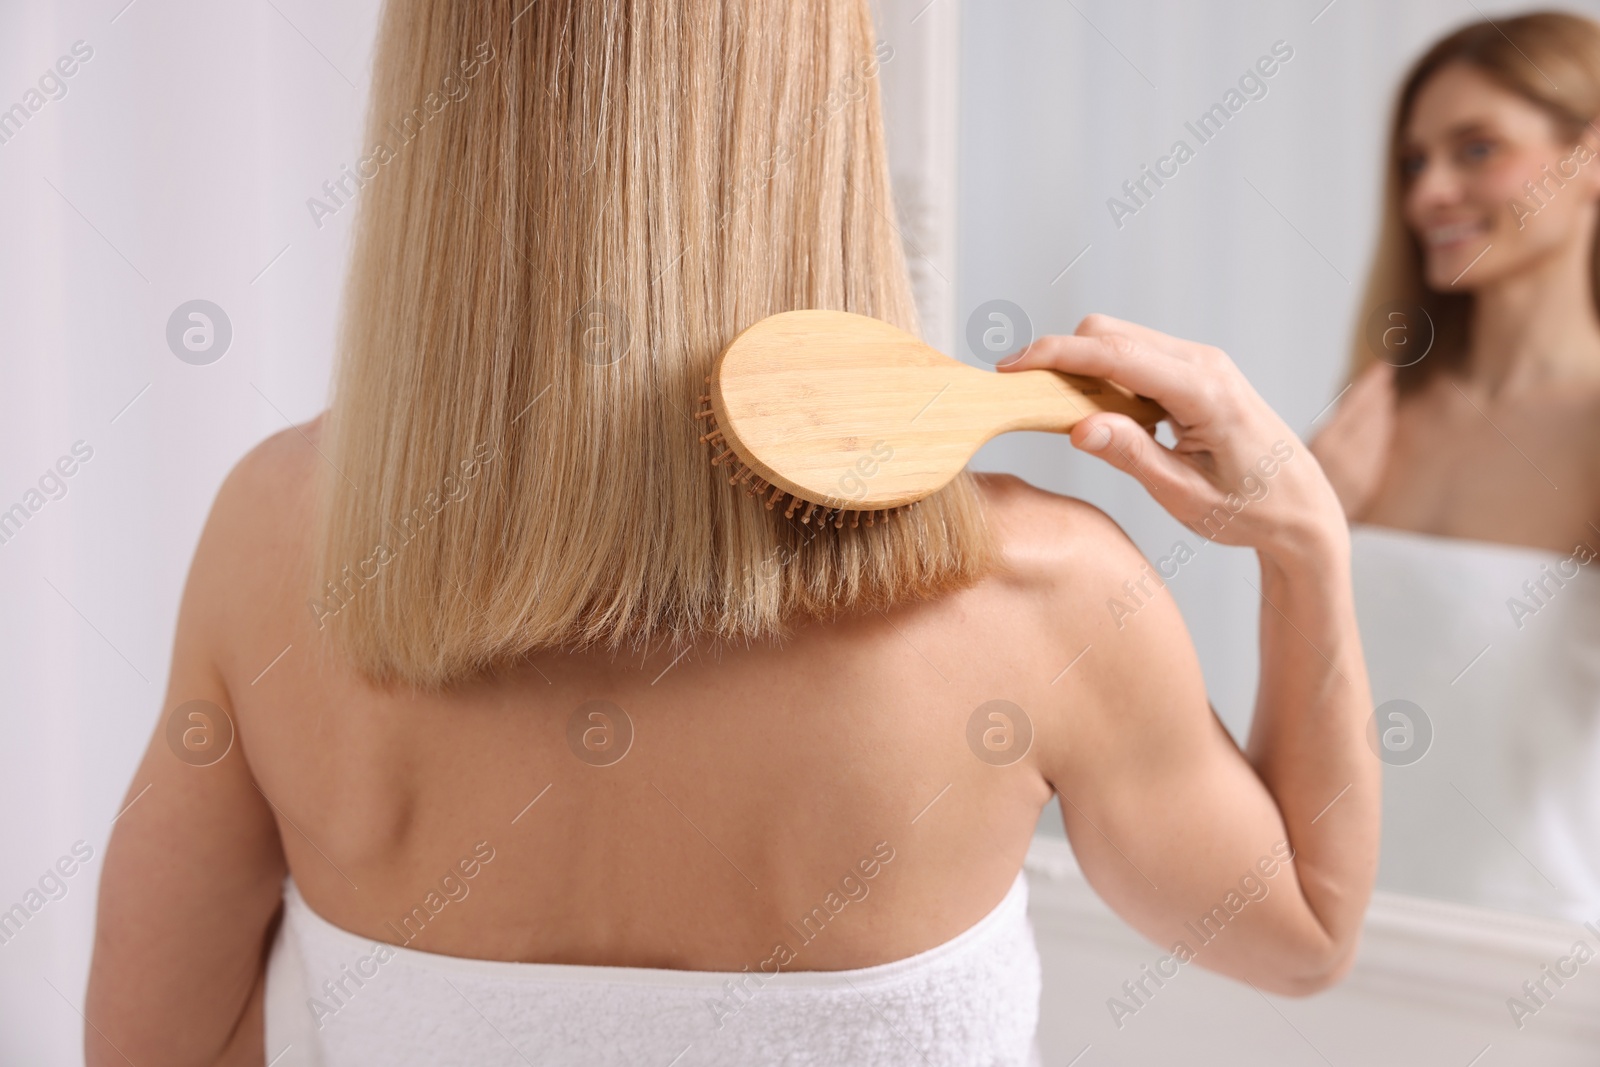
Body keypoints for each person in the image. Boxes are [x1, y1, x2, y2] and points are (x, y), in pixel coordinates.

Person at [85, 1, 1376, 1063]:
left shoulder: (280, 544)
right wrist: (1306, 543)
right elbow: (1305, 938)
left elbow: (153, 1046)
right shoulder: (1043, 597)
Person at [1313, 11, 1600, 918]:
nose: (1430, 192)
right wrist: (1308, 536)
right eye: (1413, 161)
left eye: (1478, 150)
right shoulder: (1372, 418)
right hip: (1348, 935)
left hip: (1546, 963)